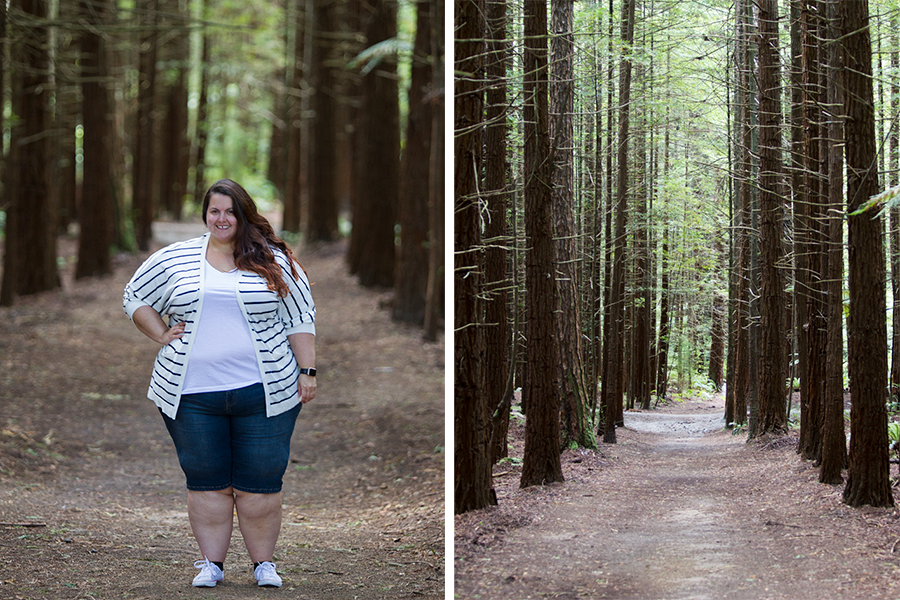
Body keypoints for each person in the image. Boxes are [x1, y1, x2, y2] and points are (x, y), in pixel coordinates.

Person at [122, 179, 317, 588]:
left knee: (260, 482)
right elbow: (134, 295)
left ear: (243, 214)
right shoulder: (175, 259)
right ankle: (211, 564)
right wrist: (159, 334)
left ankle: (264, 564)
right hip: (191, 393)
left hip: (266, 392)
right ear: (206, 215)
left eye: (230, 211)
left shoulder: (275, 260)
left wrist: (307, 370)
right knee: (207, 480)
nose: (222, 218)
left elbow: (300, 318)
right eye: (215, 211)